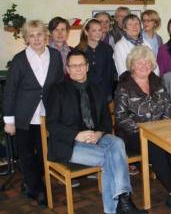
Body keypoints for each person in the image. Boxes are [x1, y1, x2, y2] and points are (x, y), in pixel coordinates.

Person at [45, 49, 147, 214]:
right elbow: (52, 125)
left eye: (81, 65)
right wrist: (77, 135)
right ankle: (122, 203)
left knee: (117, 143)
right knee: (111, 157)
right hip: (69, 144)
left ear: (86, 67)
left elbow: (106, 121)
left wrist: (99, 133)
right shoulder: (57, 91)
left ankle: (120, 204)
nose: (78, 69)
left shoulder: (97, 89)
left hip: (96, 138)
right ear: (67, 68)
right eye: (73, 66)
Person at [114, 46, 171, 213]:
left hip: (161, 131)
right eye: (139, 62)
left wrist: (161, 128)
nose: (144, 66)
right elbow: (121, 117)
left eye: (147, 62)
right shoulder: (124, 86)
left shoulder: (157, 82)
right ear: (132, 65)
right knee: (156, 148)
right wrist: (146, 131)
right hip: (134, 135)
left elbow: (168, 108)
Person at [3, 20, 64, 205]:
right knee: (27, 154)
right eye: (31, 35)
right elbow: (10, 90)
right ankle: (36, 190)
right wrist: (9, 120)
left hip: (48, 115)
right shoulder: (19, 59)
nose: (36, 39)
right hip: (24, 116)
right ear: (26, 38)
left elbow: (60, 86)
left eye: (39, 34)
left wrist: (61, 112)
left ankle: (31, 182)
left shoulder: (54, 55)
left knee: (45, 154)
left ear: (46, 35)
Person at [76, 18, 116, 102]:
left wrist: (108, 92)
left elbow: (111, 72)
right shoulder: (78, 50)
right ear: (86, 32)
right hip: (85, 93)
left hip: (104, 92)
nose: (98, 33)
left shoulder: (107, 49)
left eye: (100, 30)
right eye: (94, 30)